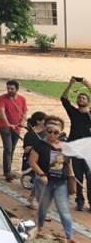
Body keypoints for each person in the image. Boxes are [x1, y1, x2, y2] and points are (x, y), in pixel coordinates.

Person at [28, 117, 76, 243]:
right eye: (49, 131)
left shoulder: (64, 146)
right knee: (43, 208)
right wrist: (42, 174)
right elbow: (32, 162)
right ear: (45, 130)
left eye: (55, 132)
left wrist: (71, 175)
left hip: (61, 182)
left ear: (60, 133)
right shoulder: (40, 145)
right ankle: (39, 228)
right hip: (45, 182)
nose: (52, 134)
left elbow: (67, 162)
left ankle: (70, 236)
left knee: (63, 209)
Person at [61, 76, 91, 209]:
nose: (81, 99)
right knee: (78, 176)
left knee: (90, 177)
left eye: (84, 98)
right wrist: (70, 84)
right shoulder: (73, 113)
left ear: (88, 102)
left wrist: (87, 84)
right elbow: (64, 99)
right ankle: (80, 200)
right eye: (79, 98)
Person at [0, 79, 27, 181]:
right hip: (5, 127)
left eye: (12, 88)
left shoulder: (22, 99)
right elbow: (2, 112)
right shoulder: (2, 98)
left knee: (12, 148)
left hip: (17, 127)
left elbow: (24, 111)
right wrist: (8, 124)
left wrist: (22, 121)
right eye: (8, 88)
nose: (9, 90)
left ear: (16, 89)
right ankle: (7, 172)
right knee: (8, 148)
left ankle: (8, 169)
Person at [21, 111, 47, 208]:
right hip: (33, 160)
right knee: (38, 179)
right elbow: (26, 149)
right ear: (38, 121)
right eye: (44, 120)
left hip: (43, 159)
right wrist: (36, 148)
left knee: (39, 179)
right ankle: (34, 199)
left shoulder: (46, 133)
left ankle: (33, 197)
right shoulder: (29, 135)